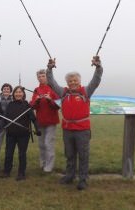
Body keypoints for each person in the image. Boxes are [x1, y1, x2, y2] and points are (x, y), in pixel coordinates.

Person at [46, 56, 103, 190]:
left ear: (79, 81)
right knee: (69, 154)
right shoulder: (63, 92)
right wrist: (49, 68)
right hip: (67, 129)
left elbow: (96, 80)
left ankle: (83, 179)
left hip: (82, 130)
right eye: (70, 81)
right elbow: (51, 82)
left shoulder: (86, 91)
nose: (73, 82)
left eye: (75, 80)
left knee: (83, 155)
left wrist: (98, 67)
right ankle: (69, 176)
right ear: (67, 82)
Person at [0, 86, 37, 181]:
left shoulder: (27, 105)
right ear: (14, 94)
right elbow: (5, 117)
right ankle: (7, 171)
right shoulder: (10, 105)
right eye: (16, 92)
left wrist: (37, 129)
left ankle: (21, 173)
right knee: (8, 153)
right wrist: (2, 127)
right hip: (11, 133)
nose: (18, 94)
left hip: (23, 134)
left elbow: (33, 119)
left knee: (22, 154)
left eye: (20, 92)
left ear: (23, 94)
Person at [29, 69, 60, 173]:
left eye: (43, 76)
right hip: (40, 121)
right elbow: (32, 105)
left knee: (48, 143)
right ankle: (42, 162)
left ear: (47, 77)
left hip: (51, 121)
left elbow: (58, 105)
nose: (41, 78)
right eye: (39, 76)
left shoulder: (53, 88)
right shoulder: (36, 90)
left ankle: (49, 165)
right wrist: (37, 101)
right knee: (41, 144)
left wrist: (50, 100)